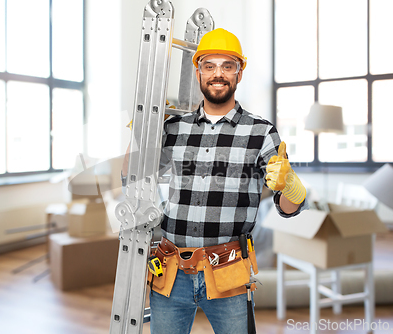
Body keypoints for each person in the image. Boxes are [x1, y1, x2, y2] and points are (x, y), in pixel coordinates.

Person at [124, 28, 308, 334]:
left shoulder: (261, 132)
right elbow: (133, 177)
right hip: (170, 272)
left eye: (227, 66)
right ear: (198, 72)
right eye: (209, 66)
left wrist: (290, 185)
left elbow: (289, 208)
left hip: (229, 273)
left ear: (239, 73)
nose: (217, 74)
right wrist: (139, 135)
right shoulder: (174, 128)